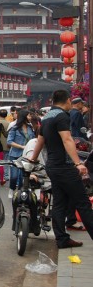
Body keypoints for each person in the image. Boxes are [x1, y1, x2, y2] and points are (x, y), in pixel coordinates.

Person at [30, 90, 93, 248]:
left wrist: (32, 159)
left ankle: (62, 239)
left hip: (52, 166)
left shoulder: (46, 118)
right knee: (83, 203)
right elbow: (67, 139)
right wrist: (78, 163)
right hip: (64, 167)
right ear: (67, 101)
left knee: (59, 203)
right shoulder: (62, 116)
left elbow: (40, 141)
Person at [6, 109, 35, 198]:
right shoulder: (14, 128)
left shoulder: (30, 128)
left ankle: (20, 192)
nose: (30, 117)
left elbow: (33, 140)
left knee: (23, 175)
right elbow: (9, 141)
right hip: (14, 154)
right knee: (14, 176)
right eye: (29, 115)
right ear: (24, 117)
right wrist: (22, 147)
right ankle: (11, 189)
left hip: (26, 155)